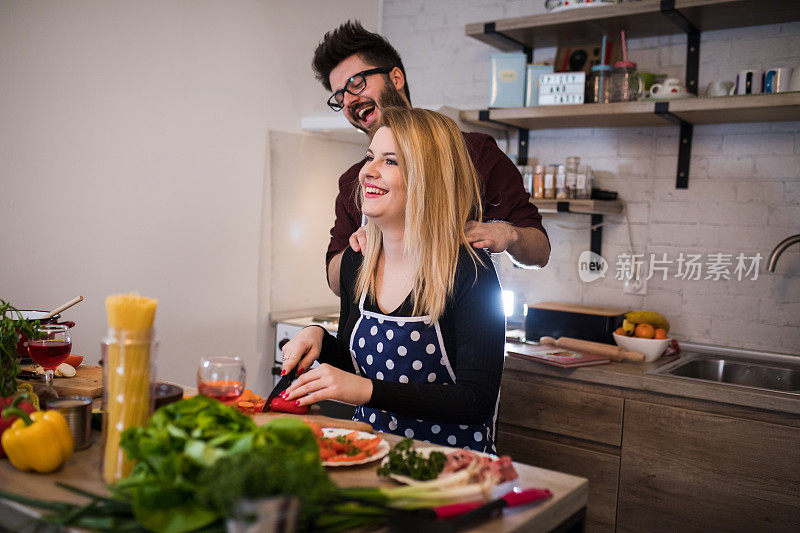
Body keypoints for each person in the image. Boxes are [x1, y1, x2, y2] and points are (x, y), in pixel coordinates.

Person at [280, 108, 506, 452]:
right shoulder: (359, 259)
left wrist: (365, 390)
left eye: (390, 161)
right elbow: (357, 362)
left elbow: (476, 401)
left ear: (428, 178)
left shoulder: (471, 271)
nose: (367, 172)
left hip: (448, 470)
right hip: (368, 454)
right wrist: (319, 340)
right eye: (370, 157)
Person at [312, 20, 551, 296]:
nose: (349, 101)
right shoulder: (355, 180)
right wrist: (358, 251)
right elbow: (334, 278)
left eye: (356, 83)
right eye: (339, 96)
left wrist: (510, 234)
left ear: (396, 78)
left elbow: (540, 251)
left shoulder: (473, 154)